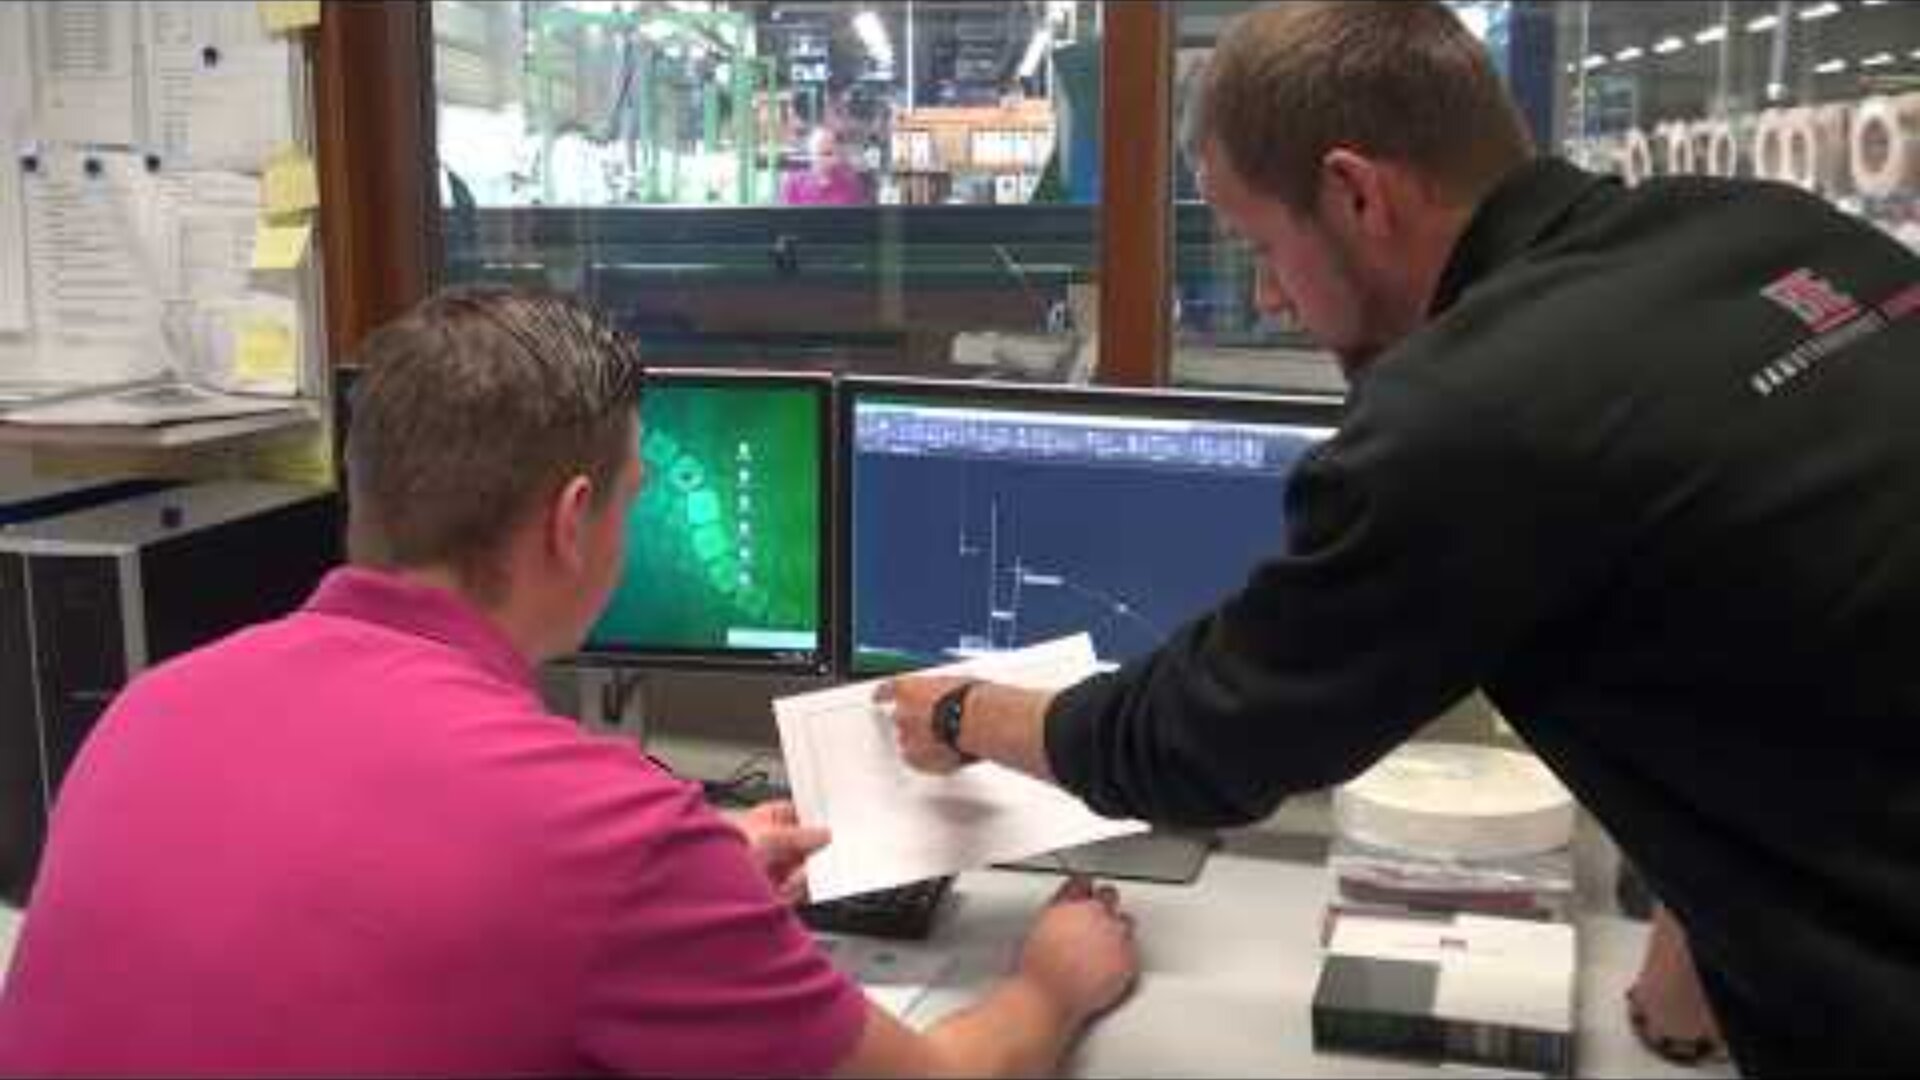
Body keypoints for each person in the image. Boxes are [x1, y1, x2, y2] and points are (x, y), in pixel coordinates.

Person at [886, 2, 1920, 1074]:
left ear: (1355, 192)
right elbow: (1783, 599)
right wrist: (1698, 950)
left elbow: (1202, 744)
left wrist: (968, 711)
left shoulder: (1475, 412)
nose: (1272, 298)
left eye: (1262, 246)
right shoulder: (1761, 228)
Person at [0, 287, 1137, 1076]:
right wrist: (1049, 987)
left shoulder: (153, 709)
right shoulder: (604, 833)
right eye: (638, 494)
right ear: (573, 520)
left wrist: (692, 881)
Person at [781, 126, 868, 206]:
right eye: (826, 153)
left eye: (835, 153)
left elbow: (858, 219)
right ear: (812, 154)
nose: (833, 158)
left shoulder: (851, 184)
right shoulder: (794, 183)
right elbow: (786, 219)